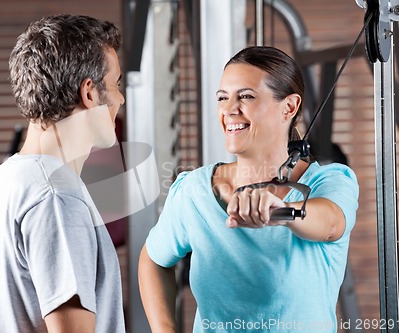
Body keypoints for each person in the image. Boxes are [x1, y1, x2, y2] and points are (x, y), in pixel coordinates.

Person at [138, 46, 359, 333]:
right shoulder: (194, 191)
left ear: (289, 108)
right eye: (222, 98)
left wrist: (280, 212)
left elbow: (330, 223)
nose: (229, 109)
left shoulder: (327, 182)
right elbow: (153, 260)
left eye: (246, 96)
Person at [0, 14, 126, 333]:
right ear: (89, 93)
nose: (121, 99)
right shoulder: (56, 196)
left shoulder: (4, 179)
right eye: (116, 84)